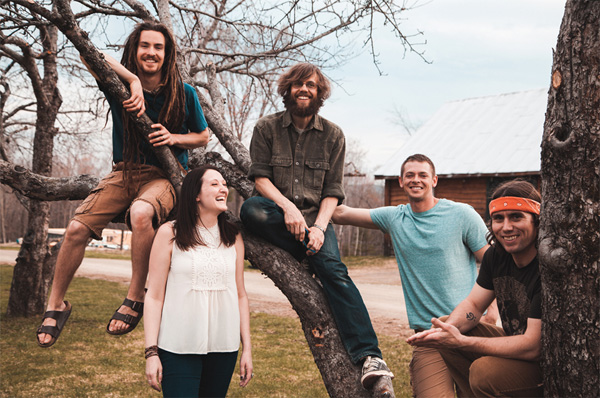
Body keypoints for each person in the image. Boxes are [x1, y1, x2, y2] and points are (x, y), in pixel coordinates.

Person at [36, 22, 210, 347]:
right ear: (135, 49)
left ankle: (135, 296)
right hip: (124, 172)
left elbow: (202, 136)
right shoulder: (119, 84)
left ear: (167, 53)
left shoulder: (183, 92)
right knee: (75, 229)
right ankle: (56, 304)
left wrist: (173, 137)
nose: (151, 53)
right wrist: (131, 80)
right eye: (145, 46)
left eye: (159, 47)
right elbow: (91, 54)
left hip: (164, 177)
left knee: (142, 214)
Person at [239, 63, 393, 388]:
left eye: (310, 85)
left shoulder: (333, 135)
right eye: (298, 85)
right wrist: (289, 208)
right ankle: (304, 250)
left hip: (317, 222)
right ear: (287, 90)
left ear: (319, 92)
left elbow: (332, 192)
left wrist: (320, 228)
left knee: (335, 272)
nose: (304, 90)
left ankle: (370, 357)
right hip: (276, 213)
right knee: (251, 210)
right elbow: (260, 178)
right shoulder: (266, 128)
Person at [332, 153, 495, 398]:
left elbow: (495, 265)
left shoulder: (462, 215)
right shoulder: (395, 218)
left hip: (469, 329)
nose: (415, 180)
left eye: (422, 175)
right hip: (428, 337)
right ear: (400, 181)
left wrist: (492, 311)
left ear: (434, 180)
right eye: (410, 175)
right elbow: (341, 214)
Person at [406, 179, 543, 397]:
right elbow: (474, 305)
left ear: (537, 221)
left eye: (516, 217)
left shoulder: (547, 269)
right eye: (498, 219)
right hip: (518, 348)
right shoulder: (496, 256)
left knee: (483, 372)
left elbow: (533, 346)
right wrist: (450, 331)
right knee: (445, 327)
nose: (506, 227)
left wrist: (463, 342)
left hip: (544, 365)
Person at [144, 166, 252, 397]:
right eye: (214, 184)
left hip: (224, 348)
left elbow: (241, 294)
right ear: (196, 194)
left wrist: (247, 349)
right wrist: (151, 352)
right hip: (178, 347)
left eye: (224, 184)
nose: (223, 188)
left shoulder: (233, 237)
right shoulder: (168, 233)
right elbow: (154, 296)